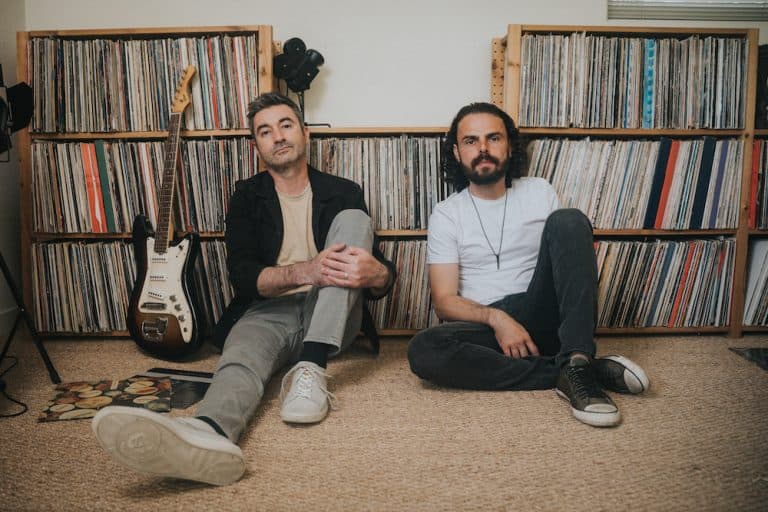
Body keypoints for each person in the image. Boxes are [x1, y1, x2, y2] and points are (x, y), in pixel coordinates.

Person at [91, 92, 396, 485]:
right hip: (270, 308)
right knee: (240, 357)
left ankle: (312, 365)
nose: (278, 136)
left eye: (286, 125)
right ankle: (209, 433)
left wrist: (377, 275)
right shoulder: (247, 197)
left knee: (355, 220)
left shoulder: (344, 191)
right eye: (265, 131)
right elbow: (245, 276)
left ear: (305, 133)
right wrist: (307, 270)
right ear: (257, 146)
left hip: (333, 310)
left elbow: (380, 272)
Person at [407, 102, 649, 428]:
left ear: (509, 144)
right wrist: (497, 318)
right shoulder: (447, 214)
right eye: (470, 141)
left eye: (493, 138)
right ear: (456, 151)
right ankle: (574, 370)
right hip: (488, 327)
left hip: (542, 313)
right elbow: (445, 302)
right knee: (426, 350)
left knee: (569, 221)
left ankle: (576, 357)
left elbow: (567, 267)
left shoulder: (539, 191)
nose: (482, 149)